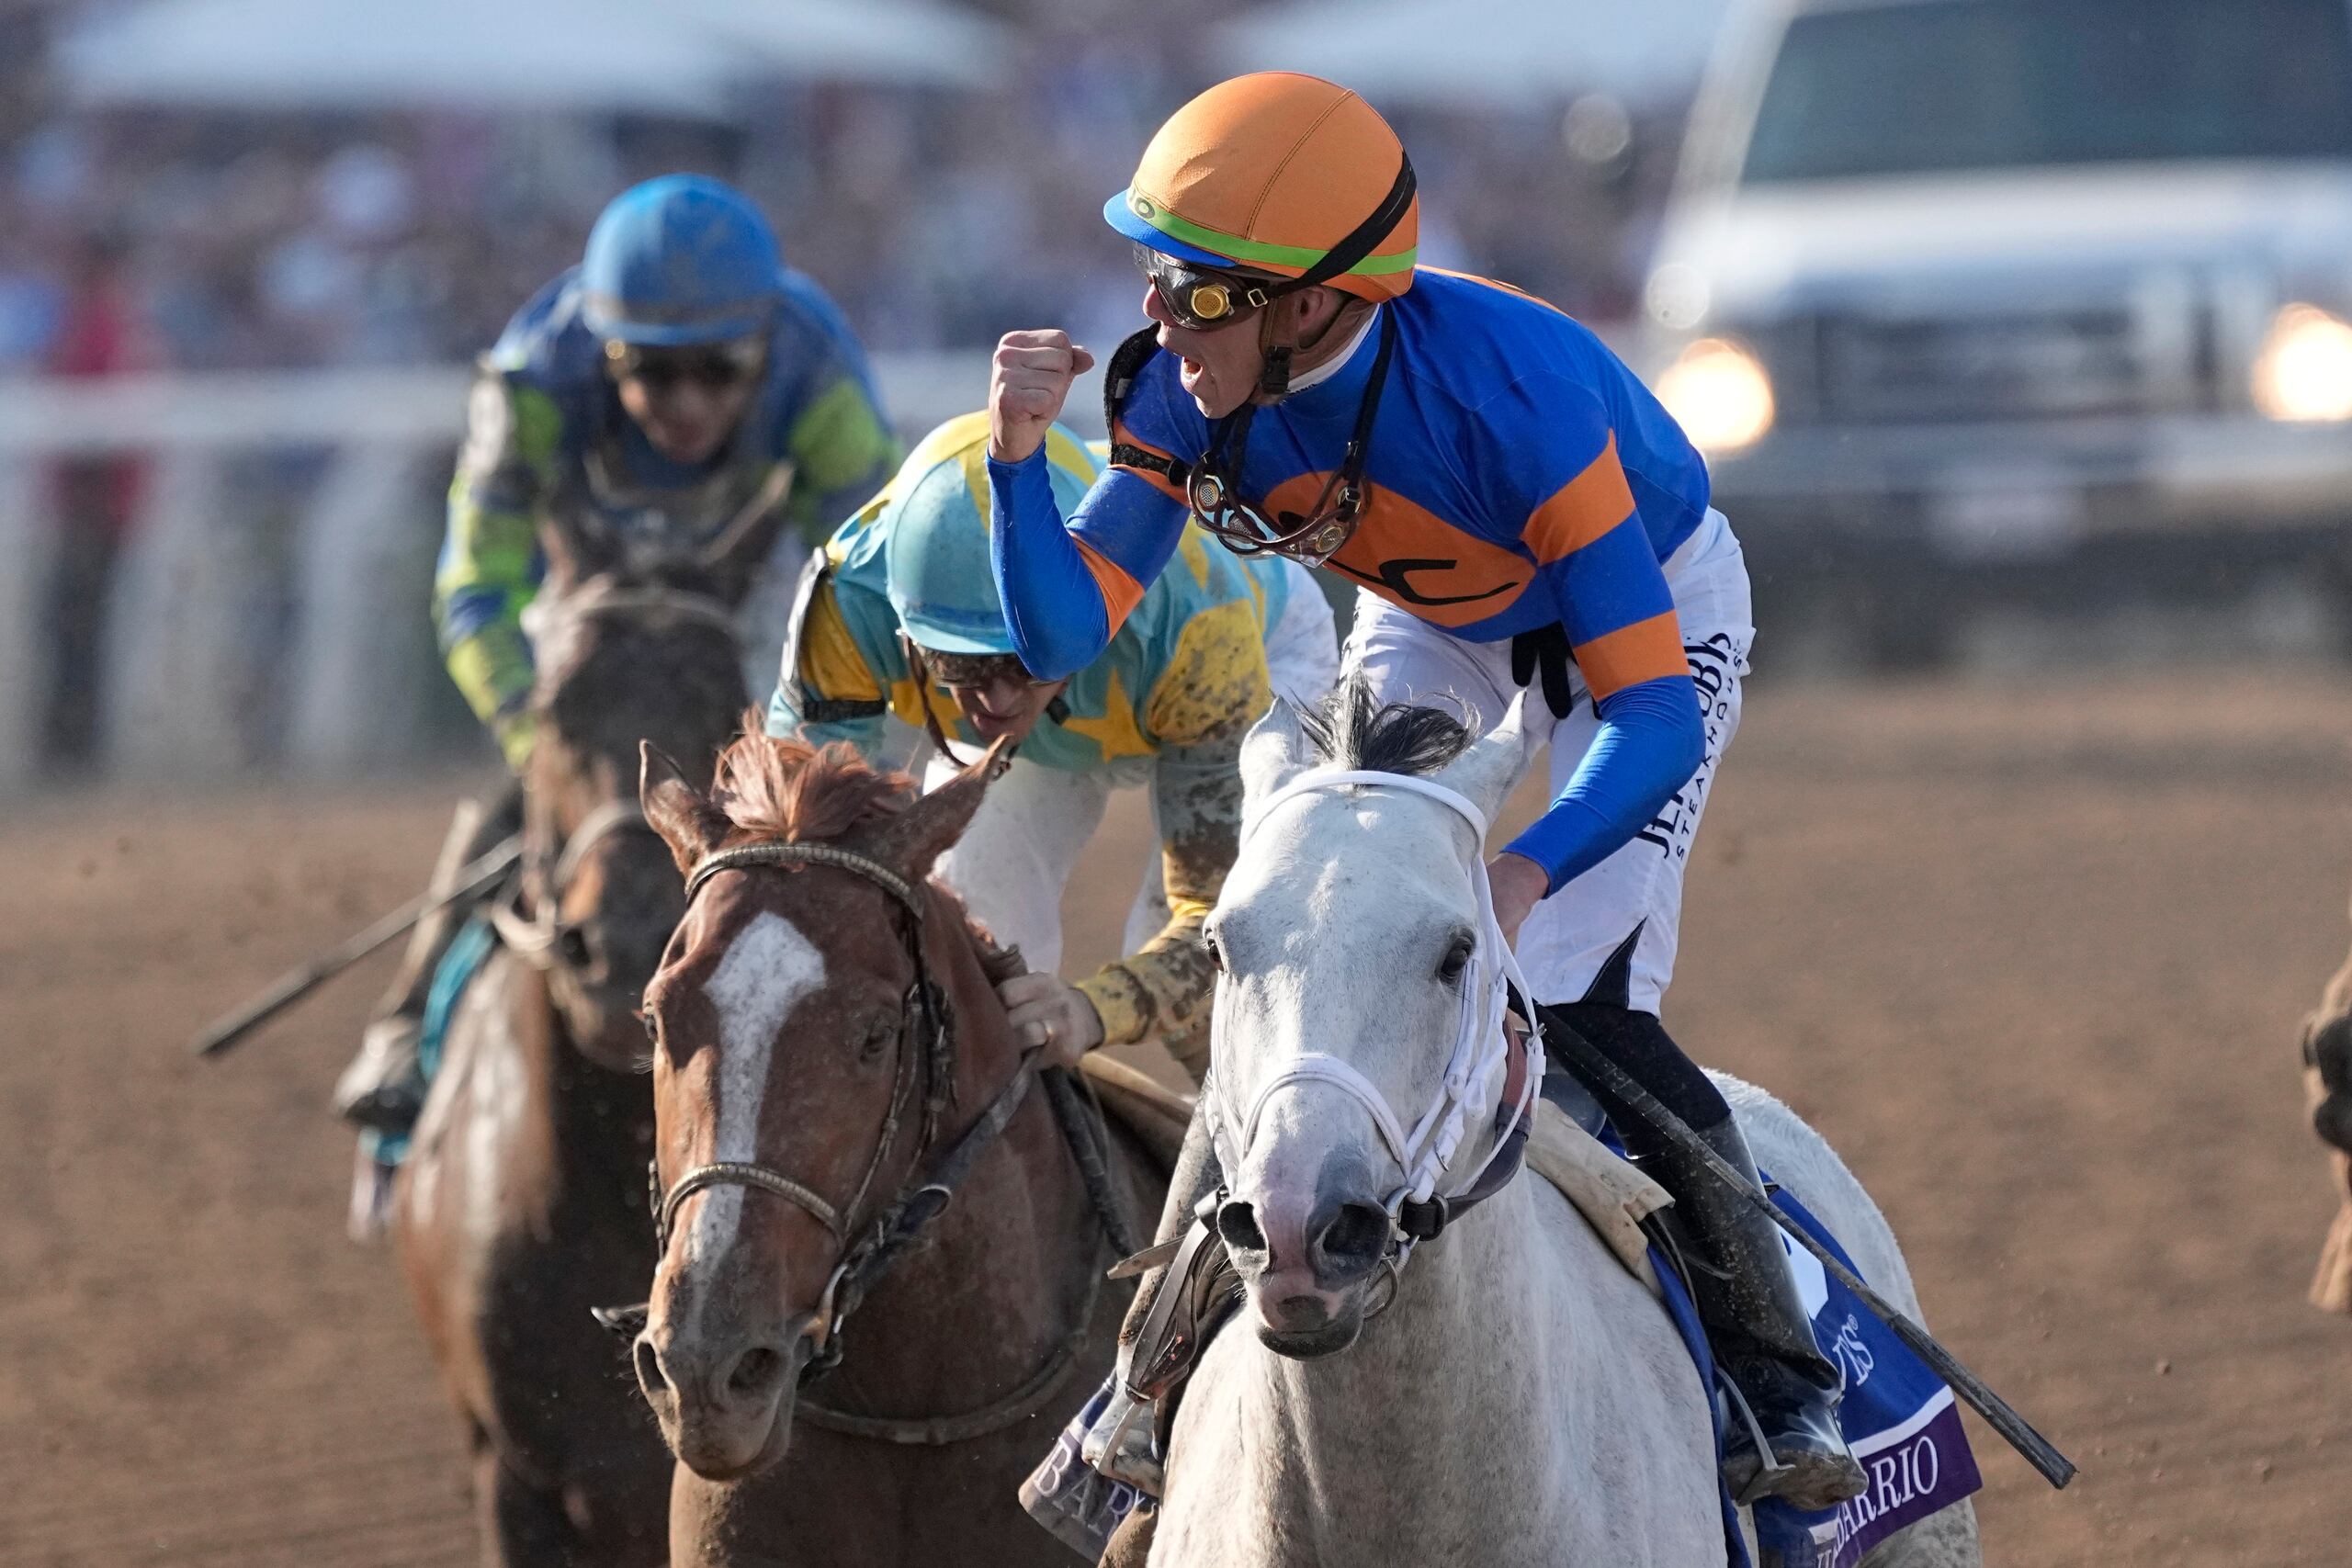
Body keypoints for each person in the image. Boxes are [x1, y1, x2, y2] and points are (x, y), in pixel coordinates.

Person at [983, 72, 1860, 1509]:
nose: (1157, 317)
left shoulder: (1518, 405)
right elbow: (1059, 632)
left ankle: (1781, 1376)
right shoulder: (1185, 389)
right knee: (1327, 945)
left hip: (1644, 611)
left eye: (1196, 289)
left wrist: (1524, 866)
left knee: (1573, 991)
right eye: (1154, 276)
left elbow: (1647, 715)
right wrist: (1019, 462)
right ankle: (1148, 1371)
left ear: (1311, 305)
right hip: (1436, 613)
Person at [334, 174, 899, 1135]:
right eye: (651, 371)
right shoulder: (532, 383)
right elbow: (477, 589)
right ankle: (403, 1023)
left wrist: (807, 741)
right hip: (587, 601)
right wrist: (533, 731)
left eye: (719, 370)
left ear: (764, 348)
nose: (685, 403)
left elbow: (869, 581)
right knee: (538, 802)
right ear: (603, 353)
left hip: (750, 603)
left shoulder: (823, 382)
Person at [770, 411, 1338, 1077]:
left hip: (1253, 655)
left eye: (1029, 658)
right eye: (959, 665)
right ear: (903, 627)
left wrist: (1091, 1011)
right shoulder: (846, 600)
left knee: (1205, 1003)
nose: (998, 702)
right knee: (971, 947)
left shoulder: (1200, 629)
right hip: (1094, 694)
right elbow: (795, 856)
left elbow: (1216, 922)